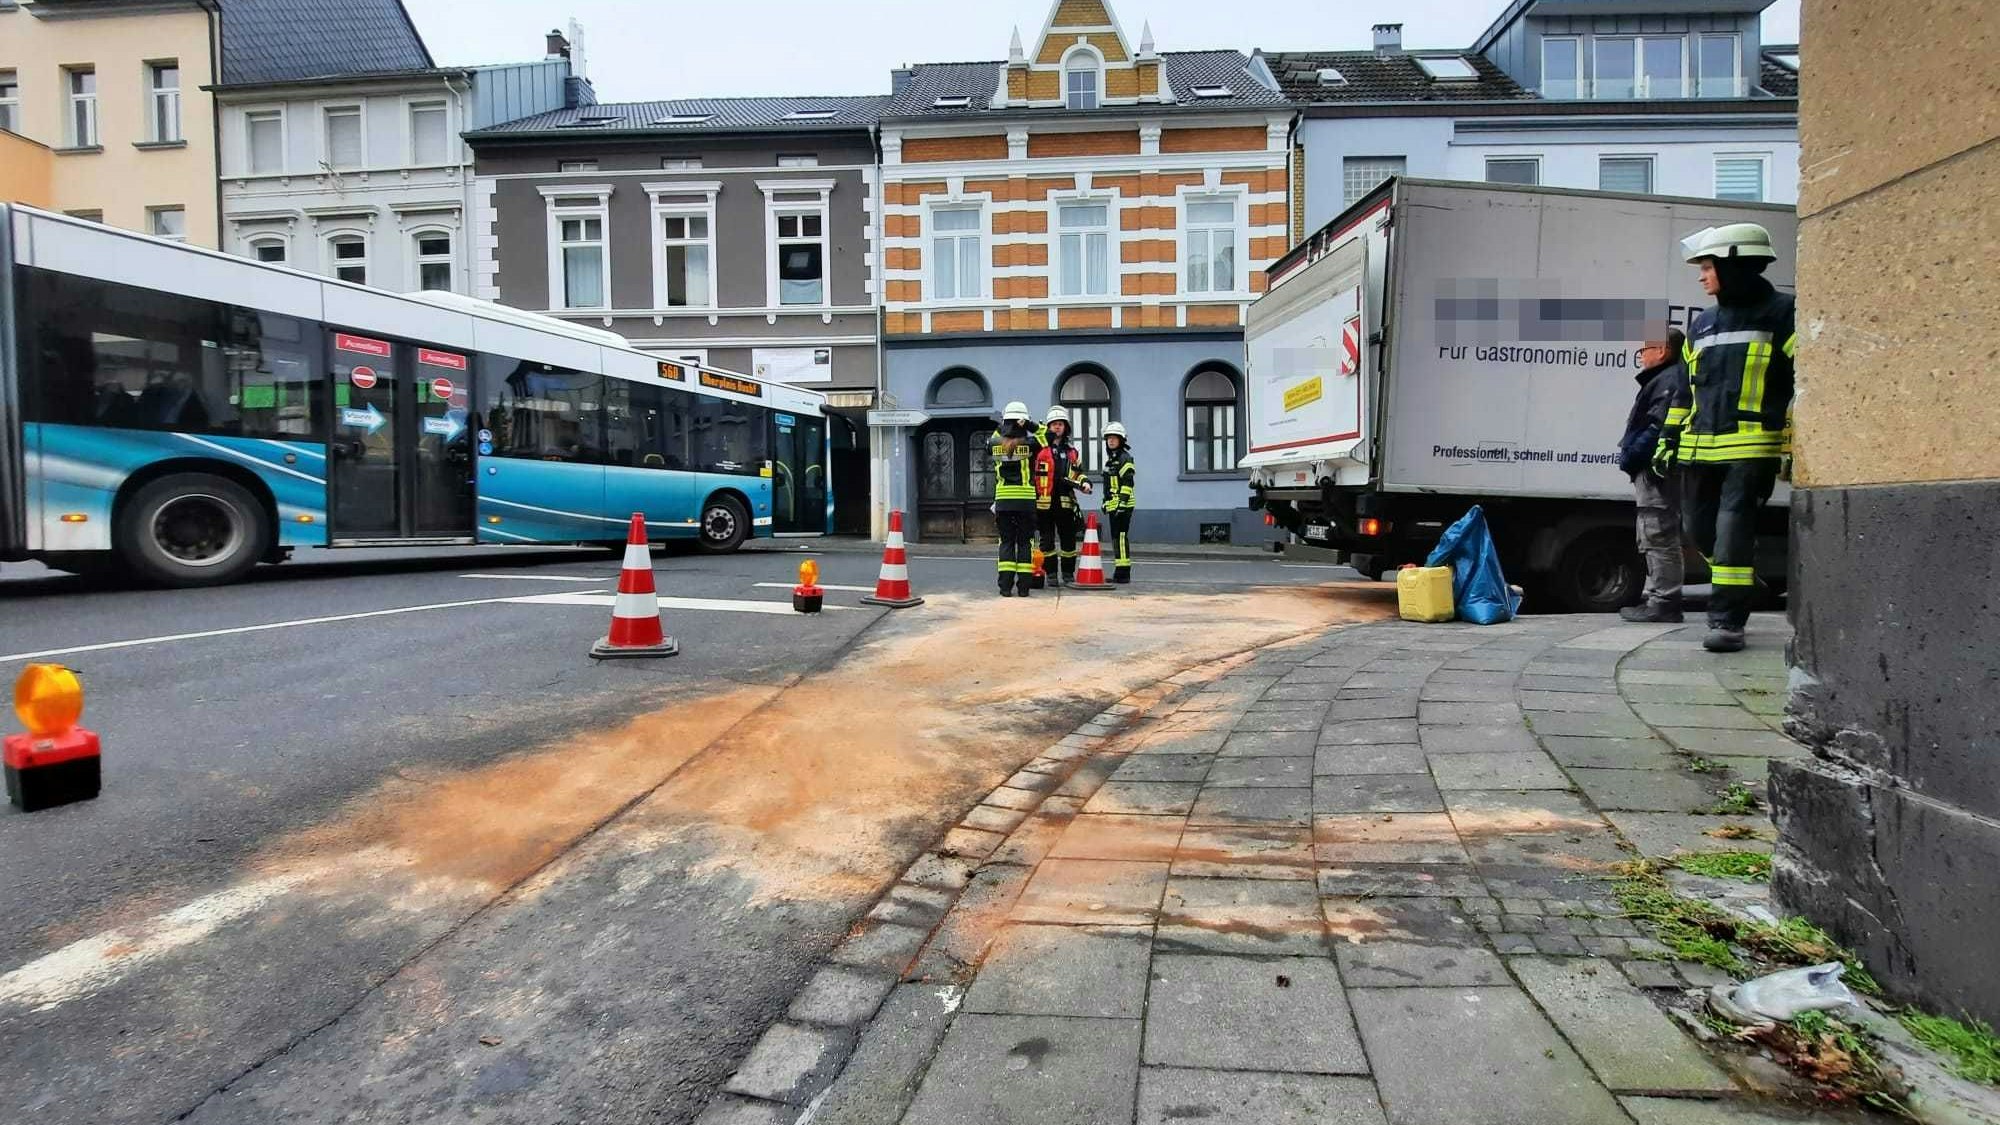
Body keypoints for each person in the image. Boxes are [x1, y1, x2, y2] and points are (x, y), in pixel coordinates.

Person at [1654, 222, 1796, 653]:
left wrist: (1791, 441)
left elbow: (1806, 383)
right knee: (1697, 530)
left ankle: (1727, 621)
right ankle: (1738, 580)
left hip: (1752, 447)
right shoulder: (1704, 325)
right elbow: (1685, 387)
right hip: (1699, 447)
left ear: (1736, 265)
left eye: (1708, 265)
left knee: (1733, 529)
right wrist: (1668, 437)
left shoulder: (1784, 314)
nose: (1701, 275)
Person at [1617, 328, 1688, 623]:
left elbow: (1655, 428)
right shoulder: (1667, 379)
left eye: (1645, 349)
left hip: (1656, 470)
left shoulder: (1667, 380)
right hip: (1658, 468)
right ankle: (1662, 600)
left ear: (1662, 351)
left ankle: (1664, 603)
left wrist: (1631, 457)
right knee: (1656, 532)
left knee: (1657, 533)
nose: (1642, 355)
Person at [1033, 405, 1092, 586]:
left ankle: (1067, 574)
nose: (1057, 427)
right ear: (1049, 427)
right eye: (1054, 424)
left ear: (1066, 427)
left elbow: (1078, 473)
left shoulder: (1072, 451)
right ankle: (1050, 574)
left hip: (1065, 503)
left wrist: (1085, 482)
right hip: (1044, 503)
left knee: (1068, 541)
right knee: (1047, 541)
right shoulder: (1038, 448)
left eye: (1060, 424)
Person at [990, 401, 1039, 597]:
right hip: (1026, 500)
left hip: (1003, 500)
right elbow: (1047, 435)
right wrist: (1030, 425)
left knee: (1006, 542)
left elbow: (996, 435)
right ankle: (1024, 588)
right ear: (1022, 421)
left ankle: (1005, 588)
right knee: (1025, 543)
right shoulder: (1031, 443)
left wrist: (1003, 426)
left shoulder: (993, 443)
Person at [1101, 421, 1136, 584]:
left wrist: (1122, 503)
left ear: (1121, 440)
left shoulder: (1124, 458)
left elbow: (1128, 482)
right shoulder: (1111, 460)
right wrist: (1105, 502)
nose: (1111, 441)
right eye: (1109, 438)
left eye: (1114, 438)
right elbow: (1108, 486)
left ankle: (1123, 573)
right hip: (1114, 506)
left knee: (1121, 538)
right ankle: (1118, 572)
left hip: (1124, 506)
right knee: (1116, 538)